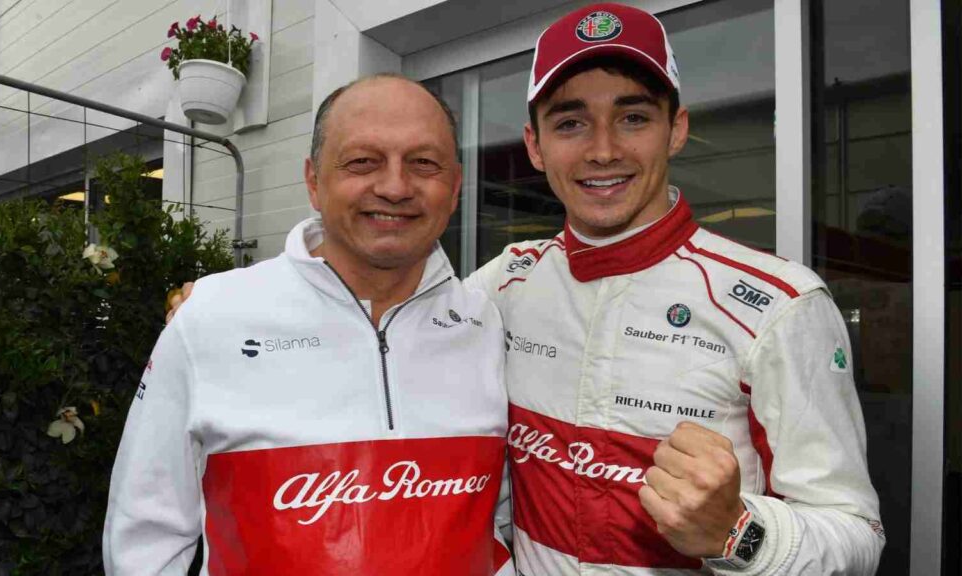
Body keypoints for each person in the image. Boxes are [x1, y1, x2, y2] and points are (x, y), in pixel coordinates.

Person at [166, 3, 885, 574]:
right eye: (572, 122)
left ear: (677, 129)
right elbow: (382, 303)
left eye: (633, 116)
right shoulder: (506, 281)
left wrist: (738, 532)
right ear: (536, 145)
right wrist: (241, 307)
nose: (603, 149)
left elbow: (856, 534)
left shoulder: (780, 305)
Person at [104, 75, 514, 576]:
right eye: (363, 161)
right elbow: (144, 535)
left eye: (423, 163)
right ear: (314, 181)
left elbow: (503, 515)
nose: (394, 186)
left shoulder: (485, 321)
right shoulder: (211, 316)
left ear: (455, 187)